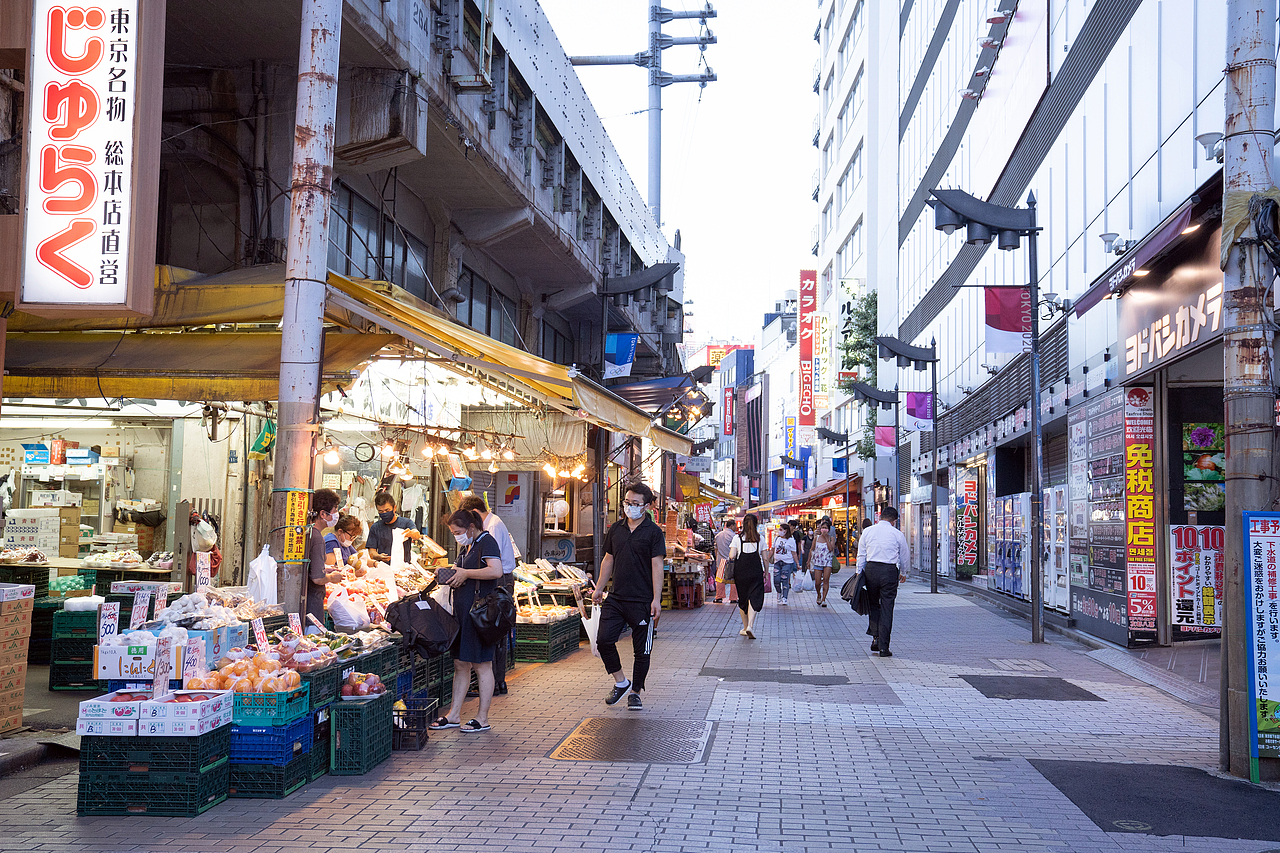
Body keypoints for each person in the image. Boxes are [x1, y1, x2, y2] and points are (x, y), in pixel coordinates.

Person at [428, 509, 504, 733]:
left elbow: (496, 570)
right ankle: (453, 715)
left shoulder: (486, 542)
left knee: (482, 664)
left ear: (471, 527)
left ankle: (482, 718)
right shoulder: (467, 546)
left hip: (479, 615)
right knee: (461, 663)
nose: (456, 536)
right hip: (462, 614)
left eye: (458, 531)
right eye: (453, 533)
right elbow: (464, 571)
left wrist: (467, 573)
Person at [592, 482, 665, 711]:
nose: (630, 507)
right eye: (627, 502)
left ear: (646, 506)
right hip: (616, 598)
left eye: (635, 504)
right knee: (603, 640)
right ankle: (621, 682)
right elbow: (608, 560)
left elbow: (657, 566)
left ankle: (636, 692)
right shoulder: (616, 529)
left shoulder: (653, 532)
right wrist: (600, 588)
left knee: (642, 650)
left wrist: (656, 599)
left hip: (642, 600)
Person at [459, 495, 516, 696]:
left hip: (498, 583)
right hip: (502, 580)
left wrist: (465, 572)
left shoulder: (489, 531)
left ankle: (495, 682)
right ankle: (497, 681)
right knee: (494, 633)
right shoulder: (494, 523)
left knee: (491, 631)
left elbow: (493, 568)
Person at [856, 506, 911, 657]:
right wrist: (904, 572)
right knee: (887, 607)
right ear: (894, 520)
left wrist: (858, 573)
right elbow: (904, 556)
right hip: (889, 571)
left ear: (880, 517)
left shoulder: (868, 531)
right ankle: (884, 647)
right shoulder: (897, 534)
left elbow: (861, 555)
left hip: (871, 570)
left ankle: (875, 638)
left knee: (874, 605)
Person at [305, 489, 346, 625]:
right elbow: (317, 578)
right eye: (334, 510)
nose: (336, 515)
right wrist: (332, 578)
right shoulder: (317, 537)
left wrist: (324, 568)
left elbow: (310, 567)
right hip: (312, 605)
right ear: (323, 514)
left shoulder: (309, 532)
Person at [731, 514, 765, 638]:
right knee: (754, 597)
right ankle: (750, 625)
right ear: (756, 524)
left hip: (741, 572)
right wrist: (766, 571)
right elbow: (765, 558)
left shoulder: (737, 538)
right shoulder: (760, 539)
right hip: (756, 571)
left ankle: (745, 628)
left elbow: (731, 555)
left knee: (743, 598)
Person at [366, 491, 421, 564]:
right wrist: (378, 556)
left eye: (387, 510)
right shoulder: (375, 527)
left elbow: (417, 535)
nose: (384, 513)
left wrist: (411, 533)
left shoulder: (406, 523)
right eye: (381, 511)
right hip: (383, 568)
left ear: (394, 508)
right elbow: (372, 551)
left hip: (404, 568)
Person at [771, 521, 798, 605]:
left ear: (785, 531)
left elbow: (794, 552)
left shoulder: (791, 540)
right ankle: (779, 592)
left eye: (781, 529)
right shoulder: (777, 539)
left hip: (787, 562)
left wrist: (797, 563)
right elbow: (772, 549)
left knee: (785, 580)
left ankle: (784, 597)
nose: (779, 531)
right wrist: (768, 558)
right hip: (777, 562)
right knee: (776, 580)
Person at [811, 518, 835, 607]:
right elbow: (812, 549)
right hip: (818, 562)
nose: (824, 529)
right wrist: (809, 561)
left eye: (825, 528)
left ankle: (824, 599)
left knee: (826, 579)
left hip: (827, 562)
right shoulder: (816, 538)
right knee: (817, 582)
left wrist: (826, 538)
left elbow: (830, 549)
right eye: (822, 527)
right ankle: (819, 594)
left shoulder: (831, 538)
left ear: (828, 529)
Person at [713, 520, 738, 604]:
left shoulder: (718, 535)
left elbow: (716, 549)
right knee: (733, 580)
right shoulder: (734, 536)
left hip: (721, 560)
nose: (736, 527)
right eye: (735, 526)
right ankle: (733, 598)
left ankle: (719, 597)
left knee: (720, 579)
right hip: (731, 561)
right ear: (731, 526)